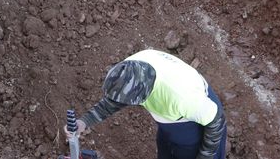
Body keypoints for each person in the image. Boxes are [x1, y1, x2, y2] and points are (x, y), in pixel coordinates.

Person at [68, 49, 227, 159]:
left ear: (143, 94)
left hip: (194, 126)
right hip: (169, 121)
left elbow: (216, 121)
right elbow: (116, 99)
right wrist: (85, 121)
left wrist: (205, 156)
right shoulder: (131, 66)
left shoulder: (182, 97)